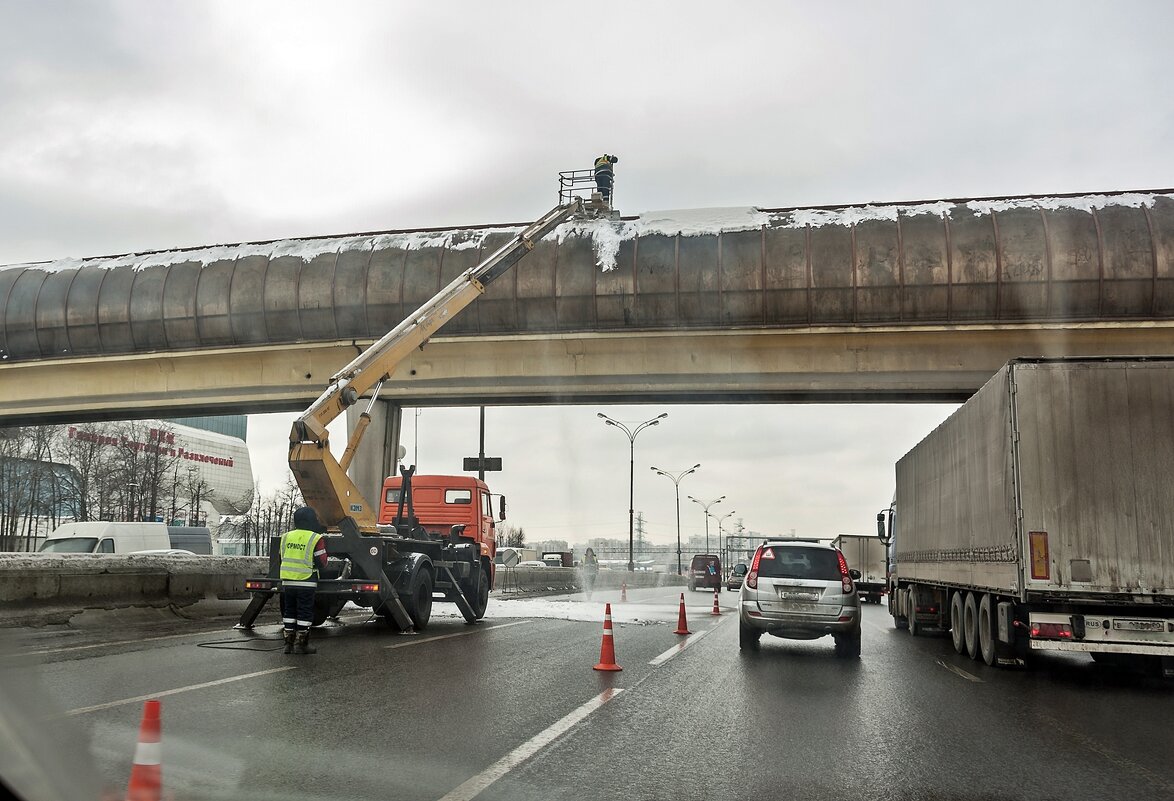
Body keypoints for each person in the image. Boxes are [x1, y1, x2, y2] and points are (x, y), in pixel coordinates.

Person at [279, 506, 328, 655]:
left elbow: (282, 556)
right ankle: (302, 644)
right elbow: (322, 561)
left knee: (289, 611)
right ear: (312, 520)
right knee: (304, 612)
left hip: (288, 580)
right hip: (306, 581)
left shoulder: (286, 536)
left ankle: (288, 644)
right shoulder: (315, 538)